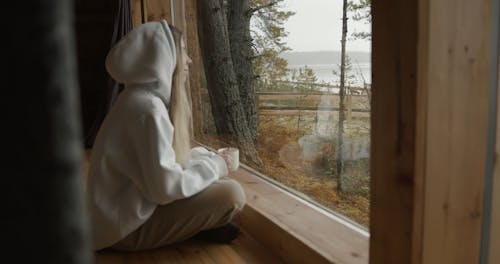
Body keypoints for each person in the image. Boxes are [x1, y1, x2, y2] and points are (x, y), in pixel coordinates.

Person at [85, 19, 246, 251]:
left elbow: (158, 167)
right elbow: (165, 189)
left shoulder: (135, 99)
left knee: (214, 184)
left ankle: (198, 225)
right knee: (232, 194)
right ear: (162, 58)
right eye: (182, 51)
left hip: (114, 216)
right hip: (122, 230)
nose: (189, 59)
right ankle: (194, 228)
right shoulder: (147, 110)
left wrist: (204, 157)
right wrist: (217, 165)